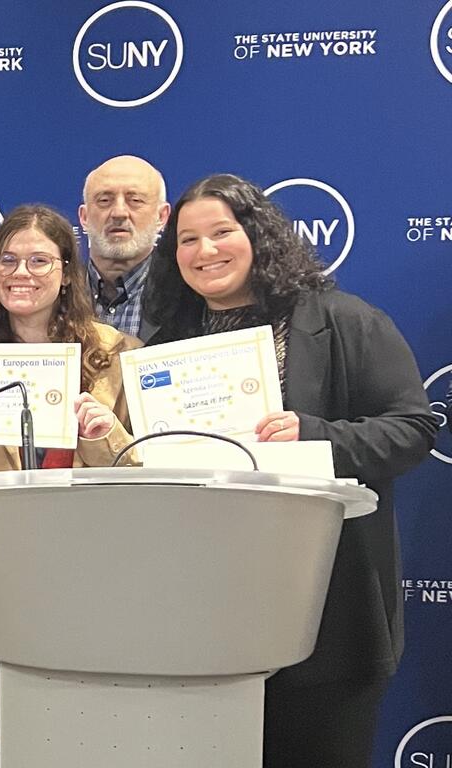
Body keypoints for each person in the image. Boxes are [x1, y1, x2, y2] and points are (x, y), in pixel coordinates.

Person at [142, 173, 438, 767]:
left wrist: (316, 433)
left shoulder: (342, 319)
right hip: (203, 612)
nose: (205, 251)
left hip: (326, 606)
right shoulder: (167, 343)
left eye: (222, 232)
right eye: (187, 240)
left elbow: (414, 426)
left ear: (258, 236)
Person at [0, 204, 141, 764]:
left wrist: (103, 432)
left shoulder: (120, 357)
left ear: (68, 272)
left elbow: (148, 481)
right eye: (8, 259)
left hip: (91, 579)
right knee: (9, 744)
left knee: (88, 743)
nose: (22, 273)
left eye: (40, 261)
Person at [78, 154, 169, 340]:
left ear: (162, 217)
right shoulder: (54, 295)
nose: (119, 213)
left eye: (135, 200)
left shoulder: (189, 294)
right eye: (104, 201)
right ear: (84, 217)